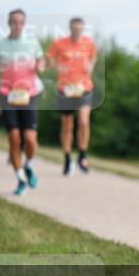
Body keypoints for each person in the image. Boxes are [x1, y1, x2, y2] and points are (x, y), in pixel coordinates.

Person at [0, 9, 45, 196]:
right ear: (9, 23)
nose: (17, 25)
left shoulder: (32, 42)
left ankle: (28, 166)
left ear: (24, 24)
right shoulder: (0, 45)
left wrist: (40, 66)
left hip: (29, 94)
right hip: (7, 95)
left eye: (20, 22)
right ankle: (20, 179)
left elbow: (41, 59)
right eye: (14, 22)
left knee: (30, 139)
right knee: (14, 138)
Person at [47, 17, 97, 175]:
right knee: (67, 125)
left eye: (80, 30)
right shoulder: (59, 43)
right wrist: (57, 65)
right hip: (66, 89)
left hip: (84, 88)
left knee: (83, 120)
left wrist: (91, 65)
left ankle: (82, 155)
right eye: (74, 30)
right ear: (70, 29)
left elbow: (93, 58)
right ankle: (67, 158)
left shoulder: (89, 43)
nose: (77, 33)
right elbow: (48, 60)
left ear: (82, 30)